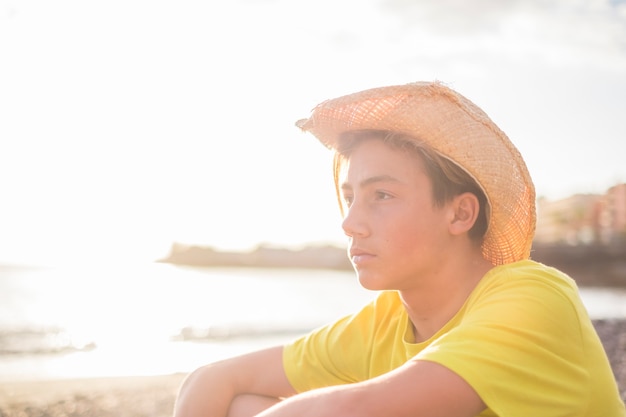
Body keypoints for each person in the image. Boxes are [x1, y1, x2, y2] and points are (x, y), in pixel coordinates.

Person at [173, 81, 625, 416]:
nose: (350, 223)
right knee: (243, 405)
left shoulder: (534, 297)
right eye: (351, 198)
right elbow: (211, 378)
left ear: (460, 214)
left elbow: (350, 409)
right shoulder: (385, 322)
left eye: (382, 196)